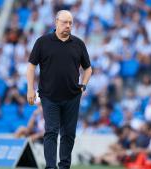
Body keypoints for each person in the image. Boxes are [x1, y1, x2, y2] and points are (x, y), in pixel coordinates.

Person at [26, 10, 92, 169]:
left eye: (70, 23)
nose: (68, 26)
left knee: (69, 134)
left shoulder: (78, 43)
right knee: (51, 132)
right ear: (56, 22)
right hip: (49, 96)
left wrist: (83, 85)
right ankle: (50, 167)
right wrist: (30, 89)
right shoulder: (42, 42)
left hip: (72, 97)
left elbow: (88, 68)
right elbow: (31, 67)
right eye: (64, 22)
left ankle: (64, 166)